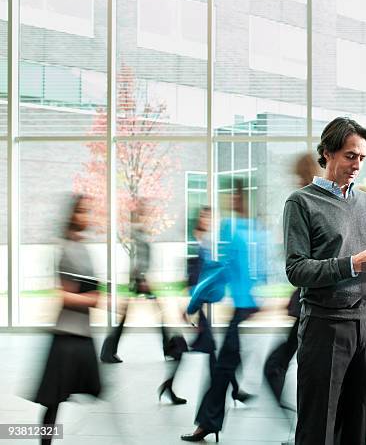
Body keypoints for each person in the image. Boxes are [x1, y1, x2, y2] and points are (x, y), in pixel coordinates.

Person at [283, 117, 366, 445]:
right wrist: (351, 264)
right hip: (326, 327)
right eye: (350, 156)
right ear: (327, 153)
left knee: (357, 424)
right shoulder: (301, 203)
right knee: (318, 427)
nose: (357, 165)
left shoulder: (365, 201)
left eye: (362, 158)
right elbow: (296, 270)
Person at [181, 180, 261, 442]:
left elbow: (219, 271)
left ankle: (208, 423)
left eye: (234, 195)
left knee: (223, 371)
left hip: (242, 310)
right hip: (252, 309)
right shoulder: (254, 229)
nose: (231, 200)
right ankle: (209, 422)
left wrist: (194, 303)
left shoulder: (233, 229)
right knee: (225, 369)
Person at [34, 194, 101, 445]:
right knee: (53, 401)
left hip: (82, 334)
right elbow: (64, 295)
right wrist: (94, 299)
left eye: (87, 212)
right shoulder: (65, 248)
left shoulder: (82, 248)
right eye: (82, 211)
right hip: (67, 336)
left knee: (78, 393)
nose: (87, 217)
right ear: (72, 215)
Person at [263, 153, 319, 410]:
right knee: (290, 360)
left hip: (311, 299)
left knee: (285, 362)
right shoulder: (313, 202)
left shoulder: (303, 203)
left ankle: (304, 427)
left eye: (297, 175)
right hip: (310, 298)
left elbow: (301, 259)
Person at [99, 198, 172, 364]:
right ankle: (171, 349)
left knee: (129, 315)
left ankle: (108, 352)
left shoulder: (139, 230)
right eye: (142, 209)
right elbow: (138, 258)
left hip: (140, 279)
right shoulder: (137, 231)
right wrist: (143, 278)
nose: (145, 212)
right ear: (137, 213)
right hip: (141, 280)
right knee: (159, 312)